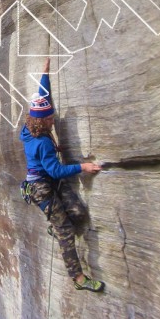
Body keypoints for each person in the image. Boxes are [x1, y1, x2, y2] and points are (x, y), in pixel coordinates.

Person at [19, 58, 105, 292]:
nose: (53, 118)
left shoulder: (28, 127)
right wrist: (82, 167)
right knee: (66, 230)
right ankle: (78, 279)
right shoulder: (41, 143)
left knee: (78, 212)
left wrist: (44, 74)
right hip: (42, 188)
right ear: (44, 120)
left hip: (51, 181)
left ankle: (55, 226)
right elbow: (55, 170)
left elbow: (42, 96)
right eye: (51, 117)